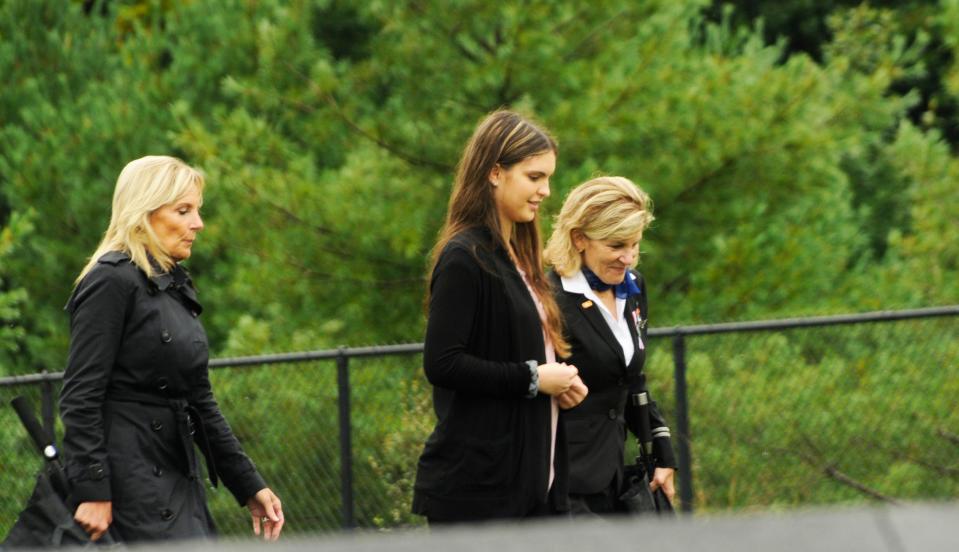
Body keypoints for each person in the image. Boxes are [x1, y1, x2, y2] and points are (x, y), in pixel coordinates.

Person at [59, 156, 284, 542]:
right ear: (143, 213)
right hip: (128, 481)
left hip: (175, 473)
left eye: (197, 210)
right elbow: (80, 396)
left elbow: (199, 400)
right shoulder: (110, 281)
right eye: (183, 210)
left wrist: (248, 484)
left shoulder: (173, 286)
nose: (198, 224)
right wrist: (94, 488)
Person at [412, 110, 588, 524]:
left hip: (535, 492)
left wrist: (558, 383)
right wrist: (532, 379)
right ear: (494, 173)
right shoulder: (464, 257)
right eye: (534, 177)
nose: (546, 190)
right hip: (480, 495)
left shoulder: (522, 260)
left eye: (548, 178)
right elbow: (442, 363)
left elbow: (521, 355)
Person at [544, 176, 677, 516]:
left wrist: (663, 452)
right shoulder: (548, 298)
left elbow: (630, 377)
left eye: (635, 245)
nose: (628, 258)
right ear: (579, 239)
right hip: (563, 480)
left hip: (616, 478)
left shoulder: (633, 288)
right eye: (617, 245)